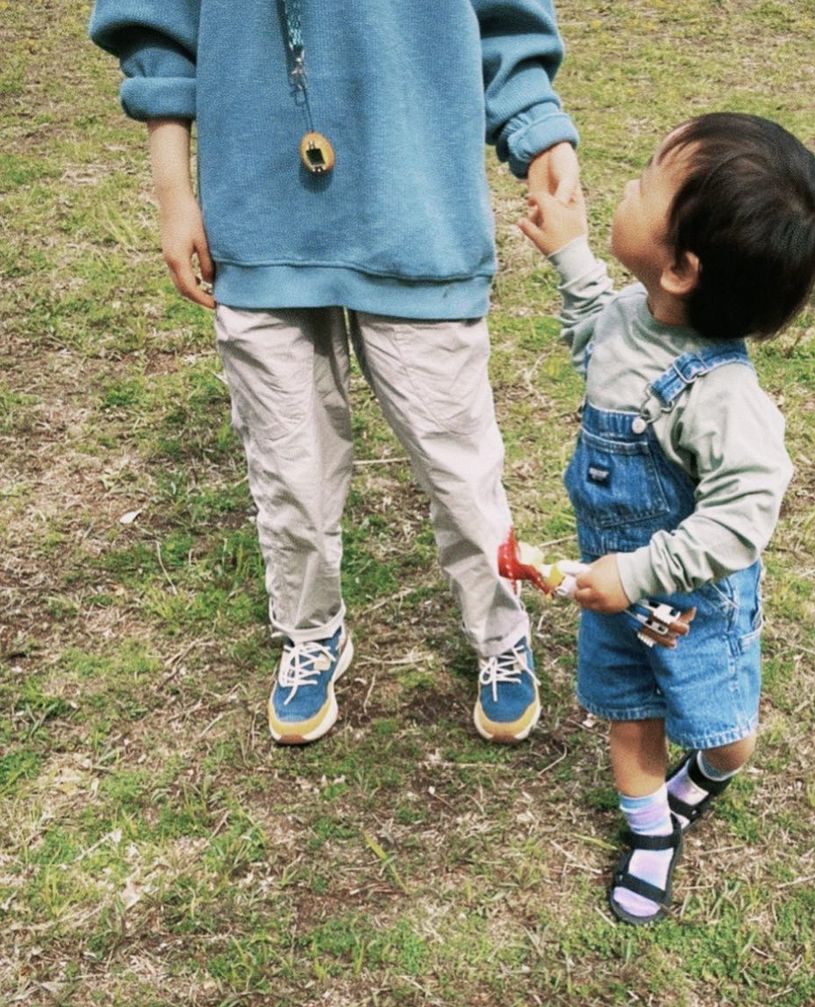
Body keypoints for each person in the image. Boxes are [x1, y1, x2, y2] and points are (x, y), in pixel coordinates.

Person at [89, 0, 581, 746]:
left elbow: (508, 18)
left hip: (418, 205)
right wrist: (172, 189)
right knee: (289, 464)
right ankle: (311, 633)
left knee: (458, 462)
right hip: (252, 210)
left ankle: (501, 635)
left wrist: (536, 126)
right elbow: (156, 19)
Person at [519, 113, 815, 923]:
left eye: (646, 181)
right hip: (611, 594)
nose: (626, 184)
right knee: (629, 716)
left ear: (683, 266)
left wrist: (637, 575)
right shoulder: (635, 315)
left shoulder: (721, 398)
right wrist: (570, 253)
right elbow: (595, 336)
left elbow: (740, 520)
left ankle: (706, 778)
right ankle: (652, 835)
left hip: (692, 609)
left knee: (723, 733)